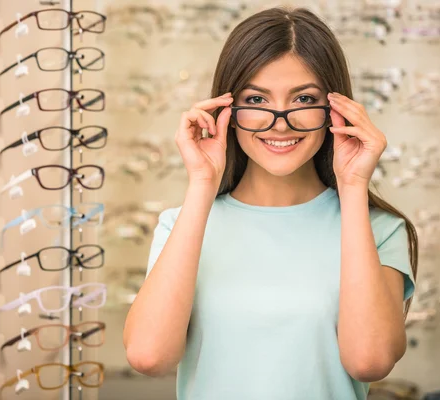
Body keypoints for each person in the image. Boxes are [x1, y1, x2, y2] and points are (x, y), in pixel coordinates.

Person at [123, 6, 418, 400]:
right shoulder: (181, 225)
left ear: (336, 109)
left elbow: (370, 361)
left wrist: (353, 185)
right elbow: (149, 357)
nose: (280, 122)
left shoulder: (378, 229)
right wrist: (201, 182)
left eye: (304, 98)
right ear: (226, 109)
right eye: (257, 98)